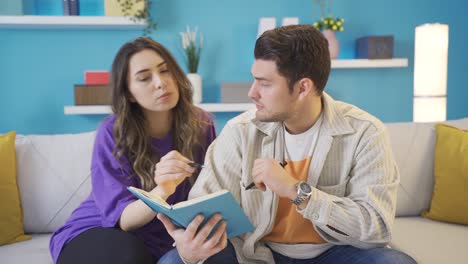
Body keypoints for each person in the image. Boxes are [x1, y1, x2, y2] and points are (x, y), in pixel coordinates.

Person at [159, 25, 416, 263]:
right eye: (254, 79)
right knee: (174, 261)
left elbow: (377, 228)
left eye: (265, 83)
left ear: (303, 88)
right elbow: (203, 204)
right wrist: (189, 244)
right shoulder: (240, 132)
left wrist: (295, 190)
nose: (252, 93)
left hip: (335, 252)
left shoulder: (365, 133)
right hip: (257, 253)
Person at [49, 37, 221, 264]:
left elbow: (211, 189)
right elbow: (124, 221)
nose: (160, 83)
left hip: (163, 237)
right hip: (102, 231)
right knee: (129, 254)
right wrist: (162, 190)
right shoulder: (112, 132)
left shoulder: (201, 123)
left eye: (165, 71)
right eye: (144, 78)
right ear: (129, 93)